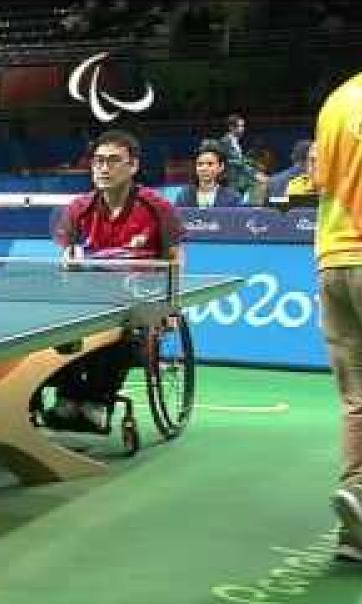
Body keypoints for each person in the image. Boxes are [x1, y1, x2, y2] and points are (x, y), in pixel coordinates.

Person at [41, 129, 185, 431]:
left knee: (123, 340)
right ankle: (68, 398)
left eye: (113, 161)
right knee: (44, 336)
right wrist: (69, 266)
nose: (103, 168)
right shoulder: (78, 209)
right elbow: (66, 261)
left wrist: (171, 305)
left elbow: (174, 257)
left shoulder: (156, 207)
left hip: (139, 304)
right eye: (98, 161)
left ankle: (97, 402)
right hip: (89, 302)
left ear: (133, 166)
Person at [311, 68, 362, 564]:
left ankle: (355, 534)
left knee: (359, 400)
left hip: (334, 262)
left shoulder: (339, 98)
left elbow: (318, 182)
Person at [174, 139, 243, 208]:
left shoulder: (233, 198)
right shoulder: (184, 196)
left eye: (210, 164)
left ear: (221, 166)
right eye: (200, 164)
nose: (204, 168)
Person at [216, 113, 268, 202]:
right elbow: (235, 162)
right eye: (240, 126)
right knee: (260, 184)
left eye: (243, 126)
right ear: (231, 128)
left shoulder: (235, 142)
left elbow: (241, 160)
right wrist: (255, 174)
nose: (243, 129)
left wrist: (255, 165)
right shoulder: (225, 142)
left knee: (262, 182)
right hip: (233, 178)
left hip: (241, 176)